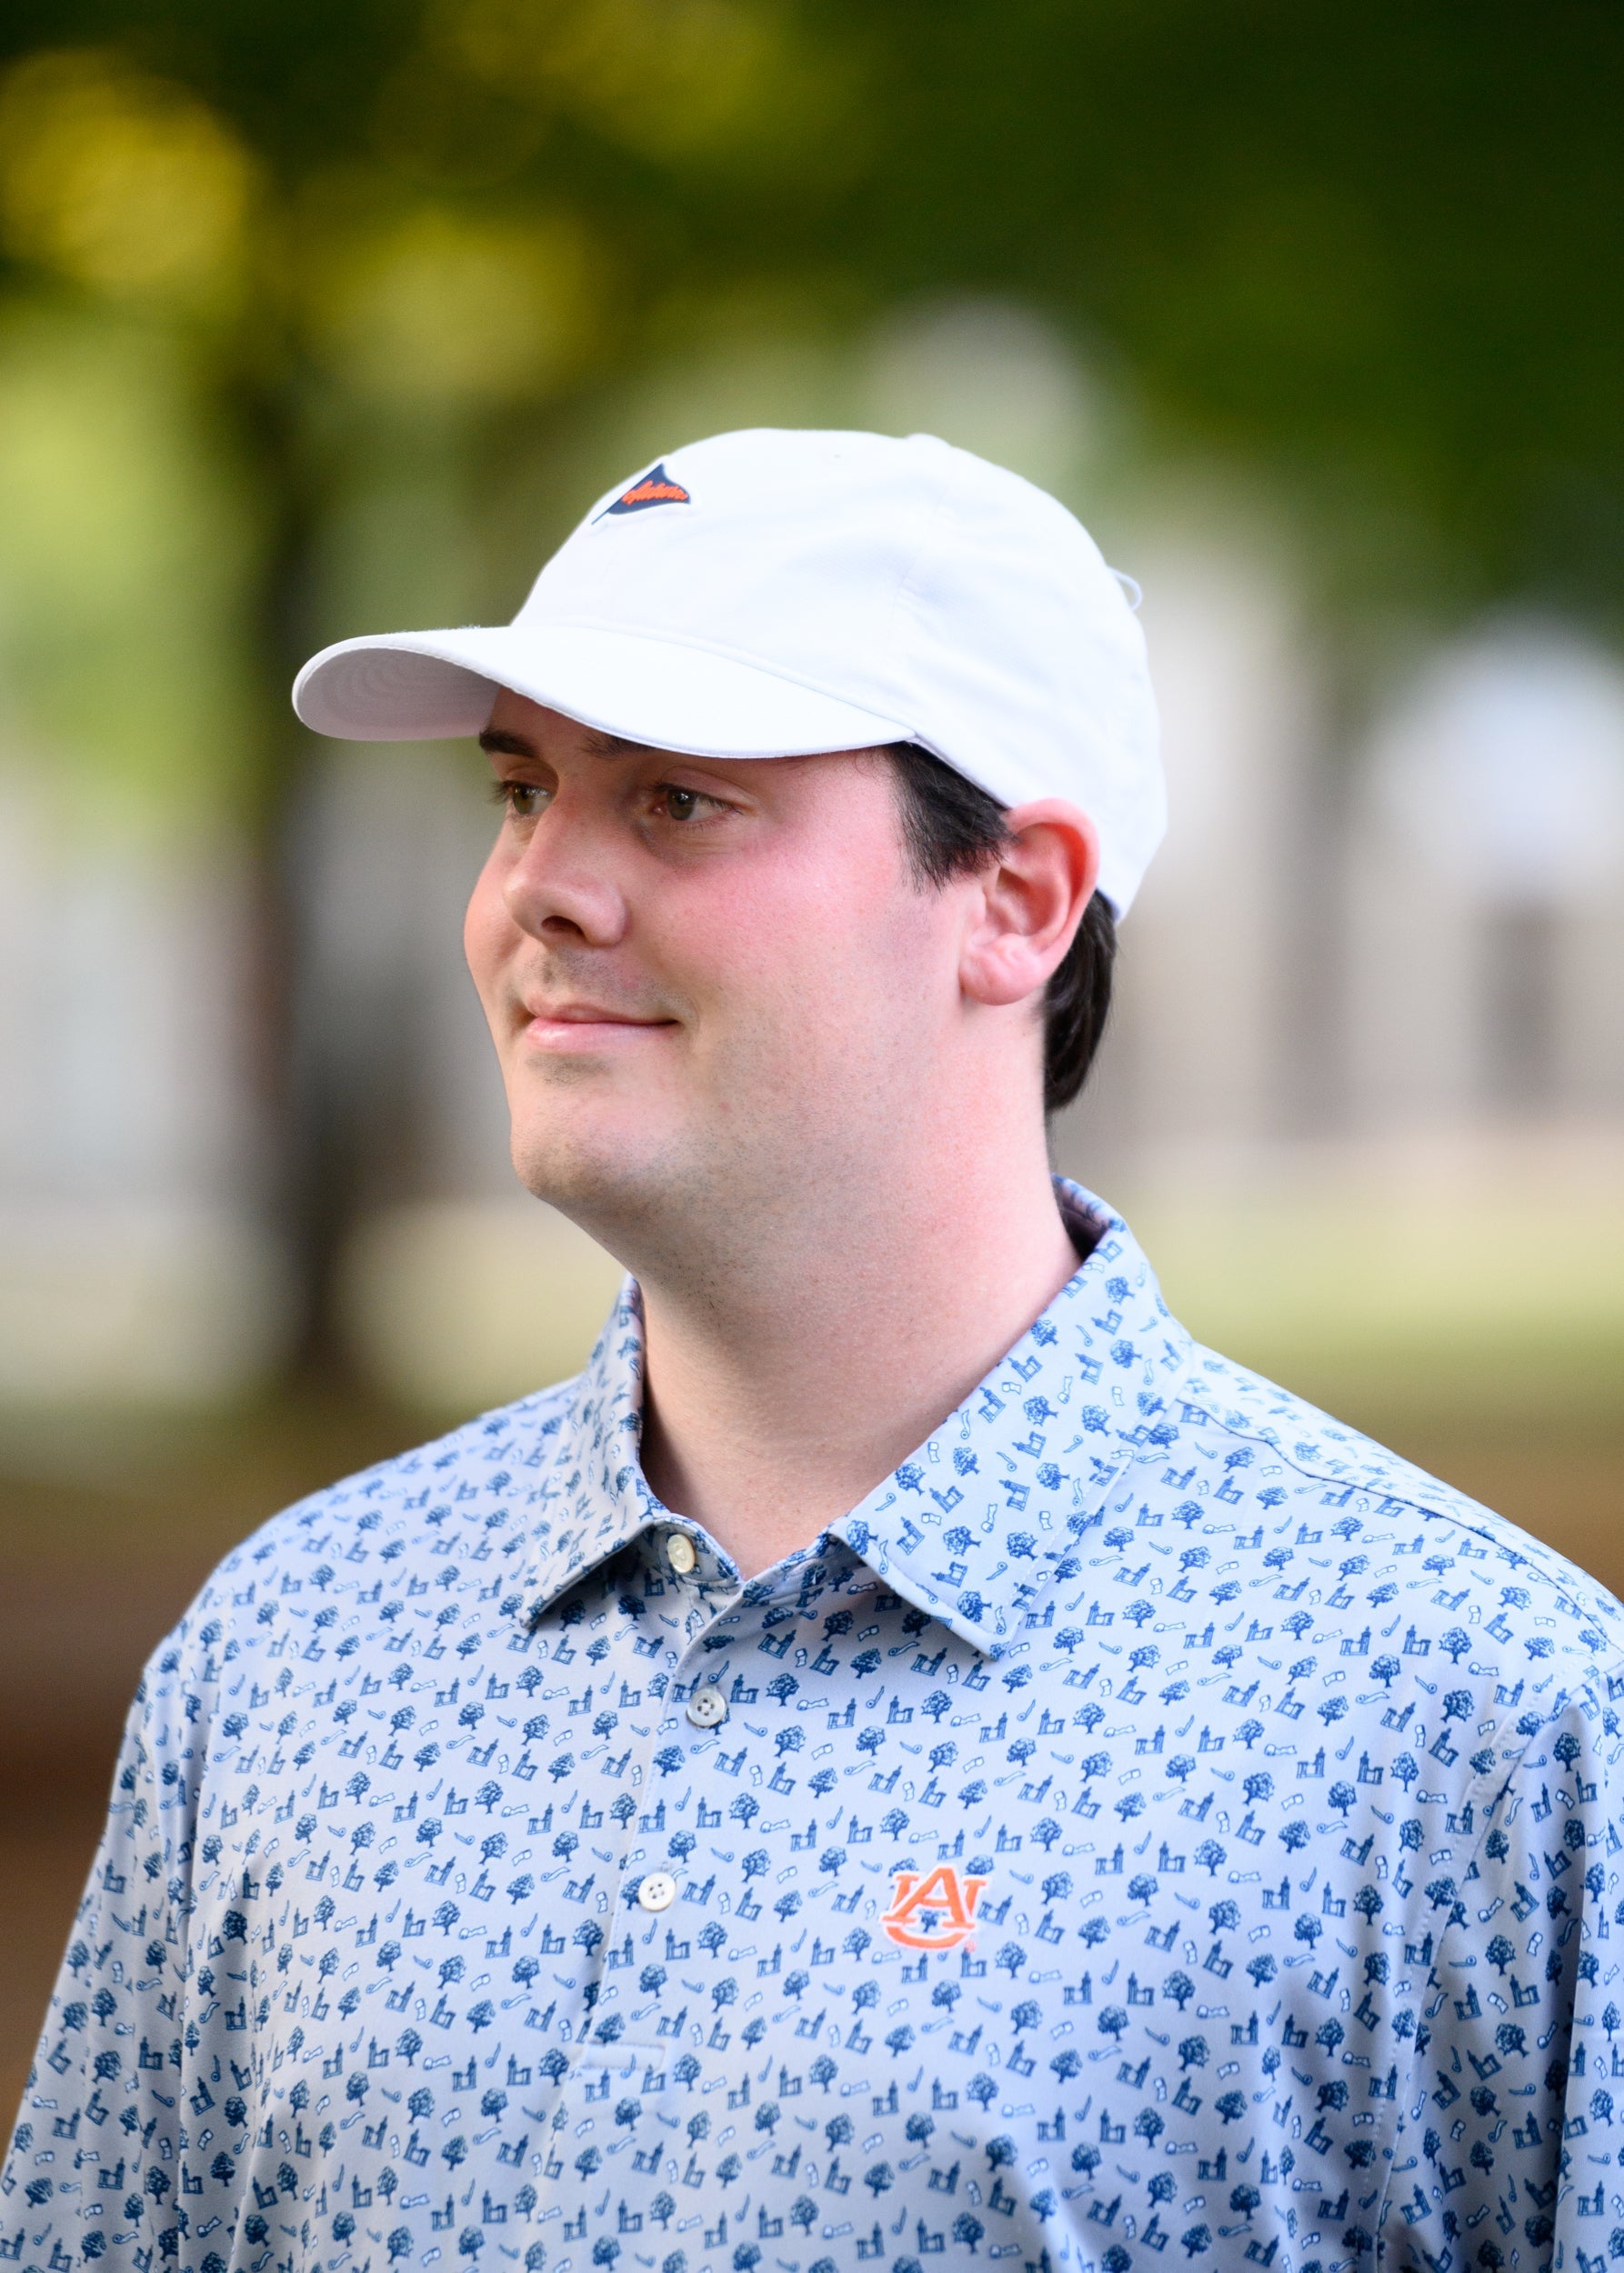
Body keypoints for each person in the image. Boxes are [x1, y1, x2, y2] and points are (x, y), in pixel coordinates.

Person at [5, 429, 1622, 2273]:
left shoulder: (1471, 1713)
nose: (541, 886)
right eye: (519, 790)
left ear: (1011, 896)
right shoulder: (287, 1651)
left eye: (676, 800)